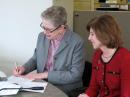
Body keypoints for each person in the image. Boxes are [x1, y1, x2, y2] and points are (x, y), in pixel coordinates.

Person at [13, 6, 85, 96]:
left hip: (65, 88)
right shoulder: (42, 37)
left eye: (48, 29)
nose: (44, 32)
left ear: (62, 28)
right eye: (43, 27)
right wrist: (23, 68)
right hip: (41, 84)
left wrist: (44, 75)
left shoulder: (77, 42)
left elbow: (75, 75)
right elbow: (36, 59)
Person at [78, 14, 130, 97]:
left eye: (92, 34)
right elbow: (93, 87)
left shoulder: (126, 58)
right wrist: (86, 95)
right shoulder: (97, 55)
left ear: (104, 34)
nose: (89, 38)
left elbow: (126, 94)